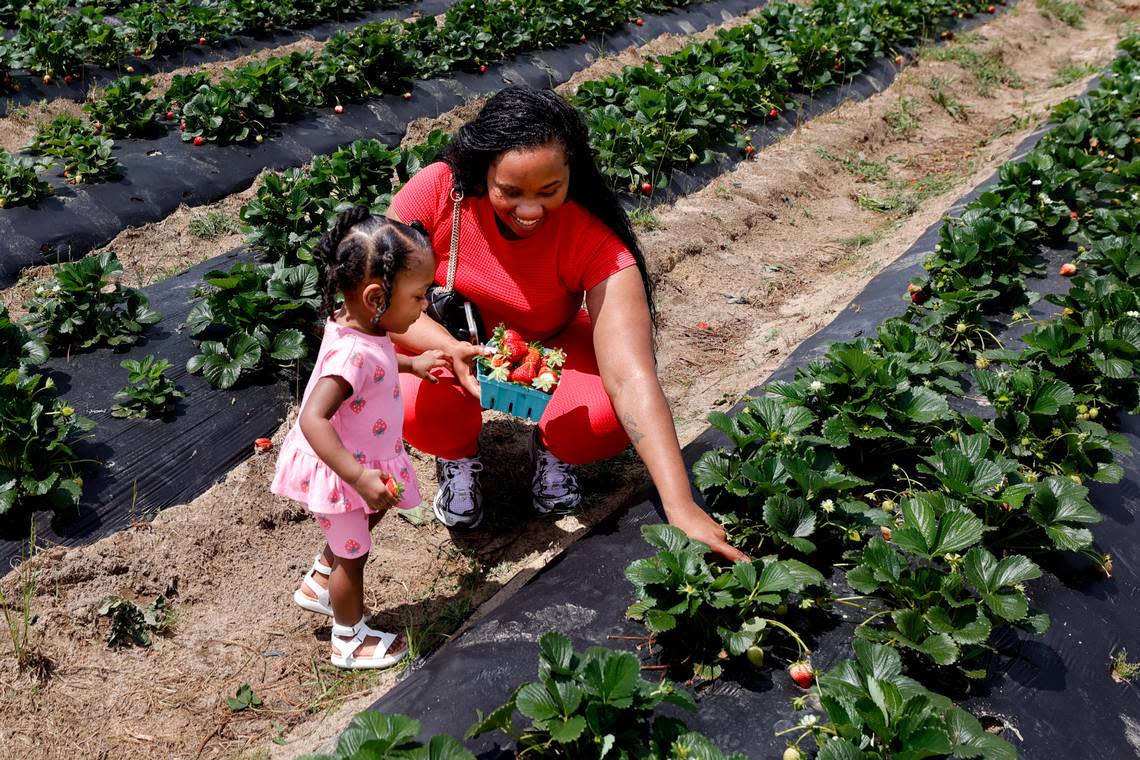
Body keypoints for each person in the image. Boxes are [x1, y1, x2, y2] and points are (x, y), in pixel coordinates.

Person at [387, 86, 747, 562]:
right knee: (419, 409)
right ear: (483, 170)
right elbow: (376, 291)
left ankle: (552, 448)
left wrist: (680, 506)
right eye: (509, 192)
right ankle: (456, 455)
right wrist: (448, 348)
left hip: (551, 339)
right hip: (453, 337)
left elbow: (632, 375)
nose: (530, 209)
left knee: (601, 421)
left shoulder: (595, 239)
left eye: (548, 191)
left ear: (570, 176)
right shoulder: (441, 190)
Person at [271, 206, 449, 669]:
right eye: (419, 295)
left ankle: (317, 584)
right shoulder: (351, 353)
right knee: (355, 554)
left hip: (358, 460)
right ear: (376, 297)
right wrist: (356, 476)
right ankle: (348, 640)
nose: (426, 305)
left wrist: (414, 363)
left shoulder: (362, 326)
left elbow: (380, 360)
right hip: (342, 468)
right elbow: (313, 419)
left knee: (363, 524)